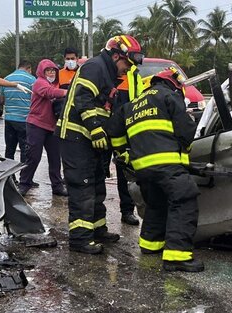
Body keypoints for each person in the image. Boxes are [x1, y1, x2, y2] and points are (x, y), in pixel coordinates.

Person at [105, 67, 204, 272]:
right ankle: (177, 257)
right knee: (184, 199)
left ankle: (150, 244)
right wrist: (185, 150)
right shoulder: (168, 95)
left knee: (156, 203)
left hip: (142, 168)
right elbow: (186, 129)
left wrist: (124, 155)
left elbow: (113, 129)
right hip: (166, 163)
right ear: (173, 83)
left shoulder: (133, 104)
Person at [56, 35, 144, 254]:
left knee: (96, 185)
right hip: (76, 137)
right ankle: (80, 239)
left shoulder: (109, 72)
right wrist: (95, 129)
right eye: (126, 64)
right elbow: (82, 98)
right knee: (83, 187)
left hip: (90, 140)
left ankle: (97, 230)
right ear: (116, 56)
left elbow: (106, 111)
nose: (127, 70)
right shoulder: (95, 67)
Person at [18, 59, 68, 197]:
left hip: (52, 126)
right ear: (41, 72)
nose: (51, 73)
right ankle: (24, 184)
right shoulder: (40, 82)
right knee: (33, 156)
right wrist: (67, 92)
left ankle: (57, 186)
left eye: (53, 70)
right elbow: (49, 92)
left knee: (55, 158)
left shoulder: (54, 84)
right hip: (36, 124)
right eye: (48, 70)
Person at [113, 64, 144, 226]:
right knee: (95, 172)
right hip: (102, 127)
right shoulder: (104, 73)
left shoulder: (135, 76)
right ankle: (93, 215)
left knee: (125, 171)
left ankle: (127, 211)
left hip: (125, 131)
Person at [0, 60, 36, 162]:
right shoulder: (32, 80)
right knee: (25, 150)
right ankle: (24, 176)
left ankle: (8, 177)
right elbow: (35, 100)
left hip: (9, 119)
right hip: (25, 120)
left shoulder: (6, 79)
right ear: (29, 69)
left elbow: (1, 100)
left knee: (9, 149)